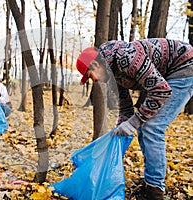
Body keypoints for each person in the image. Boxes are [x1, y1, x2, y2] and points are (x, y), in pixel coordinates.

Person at [76, 38, 193, 200]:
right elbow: (126, 110)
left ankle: (155, 191)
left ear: (96, 65)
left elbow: (161, 90)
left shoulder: (126, 57)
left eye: (91, 76)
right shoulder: (111, 76)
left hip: (185, 66)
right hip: (168, 74)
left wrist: (133, 123)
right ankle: (151, 182)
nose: (94, 80)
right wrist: (117, 135)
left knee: (151, 127)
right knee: (145, 126)